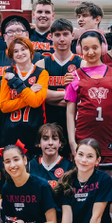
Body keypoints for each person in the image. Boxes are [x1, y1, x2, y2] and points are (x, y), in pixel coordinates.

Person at [65, 30, 112, 167]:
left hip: (110, 137)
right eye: (86, 48)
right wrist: (72, 142)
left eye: (95, 47)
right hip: (83, 136)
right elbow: (70, 112)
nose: (90, 52)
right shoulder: (74, 76)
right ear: (80, 49)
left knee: (109, 180)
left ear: (103, 48)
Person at [35, 18, 81, 154]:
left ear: (72, 36)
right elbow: (41, 95)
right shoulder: (41, 64)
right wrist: (69, 97)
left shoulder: (81, 64)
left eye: (65, 34)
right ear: (51, 37)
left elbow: (82, 96)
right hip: (47, 120)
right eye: (57, 35)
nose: (62, 39)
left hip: (75, 122)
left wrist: (51, 96)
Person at [57, 139, 111, 223]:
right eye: (80, 155)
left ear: (98, 161)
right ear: (75, 156)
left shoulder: (103, 180)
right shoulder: (67, 180)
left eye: (90, 156)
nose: (84, 160)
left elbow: (96, 216)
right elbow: (67, 217)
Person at [0, 36, 49, 150]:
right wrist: (30, 91)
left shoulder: (42, 73)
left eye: (23, 49)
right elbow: (4, 106)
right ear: (11, 55)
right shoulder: (7, 74)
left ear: (31, 51)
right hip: (10, 130)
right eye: (16, 51)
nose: (20, 53)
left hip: (34, 129)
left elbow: (35, 102)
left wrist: (16, 83)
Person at [31, 123, 72, 190]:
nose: (50, 143)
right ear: (39, 143)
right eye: (45, 139)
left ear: (60, 143)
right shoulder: (30, 166)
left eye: (54, 139)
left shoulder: (68, 167)